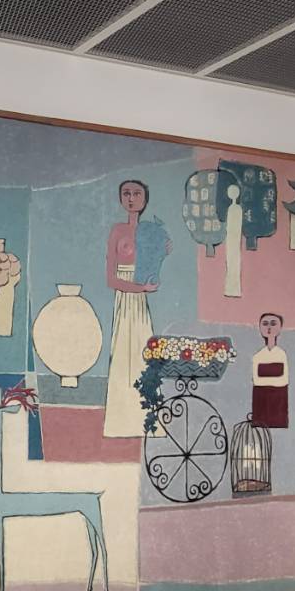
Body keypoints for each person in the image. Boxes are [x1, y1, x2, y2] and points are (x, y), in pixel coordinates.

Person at [104, 179, 165, 438]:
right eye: (126, 193)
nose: (131, 198)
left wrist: (162, 252)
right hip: (126, 298)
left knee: (143, 352)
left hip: (140, 302)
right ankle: (120, 420)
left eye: (136, 193)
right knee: (122, 353)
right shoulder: (117, 230)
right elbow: (111, 279)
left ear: (145, 198)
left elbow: (153, 265)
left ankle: (148, 420)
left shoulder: (150, 231)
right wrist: (139, 288)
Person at [251, 312, 289, 427]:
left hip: (278, 397)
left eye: (273, 324)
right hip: (260, 397)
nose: (269, 328)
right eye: (265, 324)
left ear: (280, 328)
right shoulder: (257, 356)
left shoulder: (281, 354)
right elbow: (256, 380)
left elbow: (283, 379)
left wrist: (267, 378)